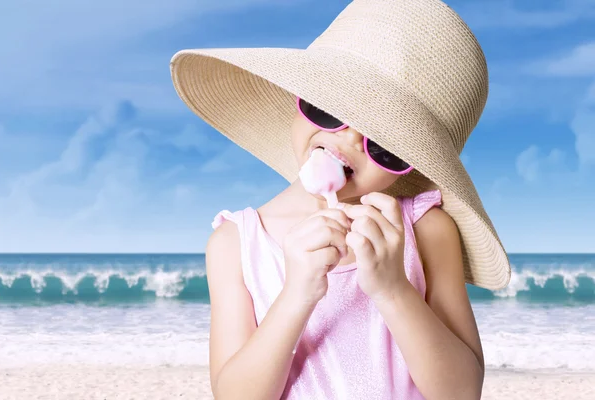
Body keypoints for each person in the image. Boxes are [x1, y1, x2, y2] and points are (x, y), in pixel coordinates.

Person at [170, 0, 512, 398]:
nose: (348, 140)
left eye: (385, 145)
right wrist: (297, 294)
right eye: (330, 109)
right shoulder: (235, 243)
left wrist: (393, 289)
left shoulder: (427, 229)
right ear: (299, 100)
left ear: (414, 163)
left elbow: (461, 392)